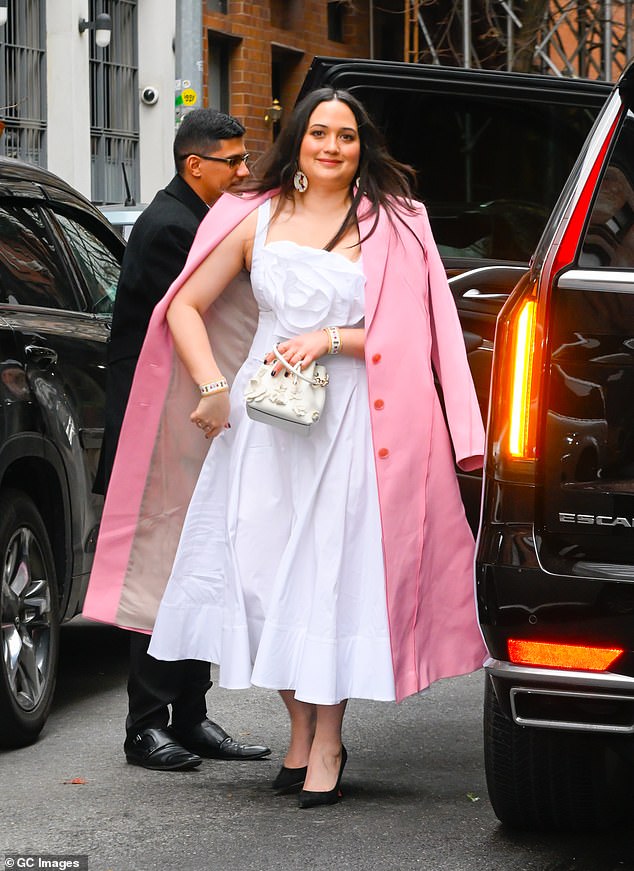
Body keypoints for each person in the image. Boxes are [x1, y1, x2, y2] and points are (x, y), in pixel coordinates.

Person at [86, 87, 487, 804]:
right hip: (262, 425)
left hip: (353, 423)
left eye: (348, 137)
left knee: (328, 580)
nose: (332, 147)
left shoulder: (397, 223)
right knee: (257, 576)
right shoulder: (252, 214)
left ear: (363, 148)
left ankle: (326, 739)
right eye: (319, 134)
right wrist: (210, 383)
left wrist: (330, 338)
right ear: (297, 142)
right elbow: (182, 305)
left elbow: (413, 333)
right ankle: (299, 724)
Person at [86, 108, 270, 771]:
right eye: (235, 160)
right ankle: (146, 726)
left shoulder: (202, 221)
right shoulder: (171, 229)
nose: (246, 170)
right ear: (196, 165)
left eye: (247, 158)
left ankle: (190, 716)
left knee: (202, 564)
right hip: (161, 430)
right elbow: (181, 336)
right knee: (160, 573)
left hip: (195, 424)